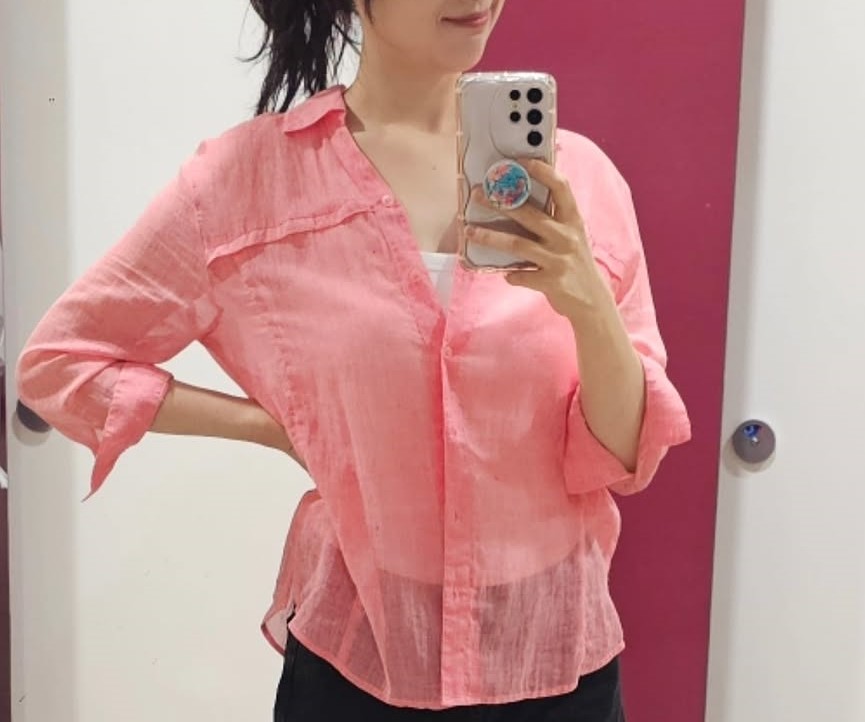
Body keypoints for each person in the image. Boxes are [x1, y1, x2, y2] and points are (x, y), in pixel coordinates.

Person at [16, 1, 692, 720]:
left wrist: (585, 300)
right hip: (359, 666)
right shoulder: (251, 182)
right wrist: (277, 427)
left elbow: (625, 454)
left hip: (555, 664)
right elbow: (61, 362)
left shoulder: (581, 181)